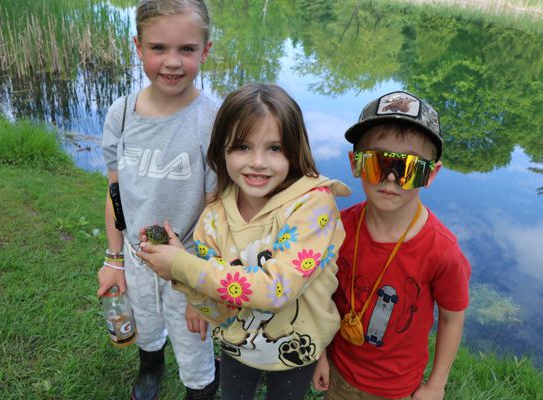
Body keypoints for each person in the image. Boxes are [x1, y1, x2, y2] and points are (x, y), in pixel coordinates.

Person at [135, 82, 352, 400]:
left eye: (274, 148)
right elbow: (220, 310)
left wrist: (183, 265)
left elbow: (277, 288)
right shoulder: (213, 218)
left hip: (297, 349)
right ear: (221, 150)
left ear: (296, 149)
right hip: (238, 348)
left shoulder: (313, 205)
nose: (258, 162)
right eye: (242, 147)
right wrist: (181, 275)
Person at [312, 91, 471, 400]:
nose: (390, 178)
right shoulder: (337, 228)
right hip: (339, 372)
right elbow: (321, 297)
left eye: (408, 168)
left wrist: (435, 386)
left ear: (431, 175)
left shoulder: (442, 251)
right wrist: (320, 356)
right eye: (377, 162)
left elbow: (452, 318)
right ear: (354, 164)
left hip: (398, 388)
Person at [97, 1, 219, 399]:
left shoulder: (212, 121)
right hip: (135, 256)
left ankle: (200, 386)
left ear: (205, 50)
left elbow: (217, 210)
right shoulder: (121, 114)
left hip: (188, 262)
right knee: (146, 325)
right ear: (138, 47)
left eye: (186, 49)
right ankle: (150, 367)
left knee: (194, 347)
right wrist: (114, 259)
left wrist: (201, 283)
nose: (172, 62)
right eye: (158, 48)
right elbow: (115, 194)